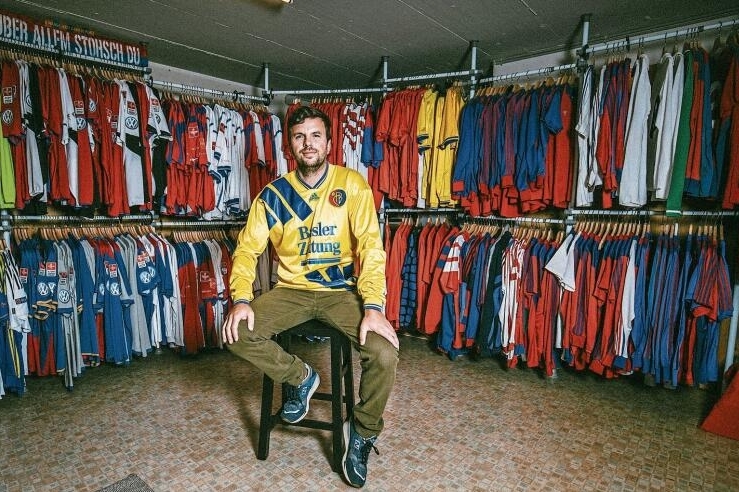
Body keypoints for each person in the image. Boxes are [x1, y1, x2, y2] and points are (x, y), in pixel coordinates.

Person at [222, 105, 399, 488]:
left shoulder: (352, 186)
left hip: (340, 293)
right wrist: (240, 299)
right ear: (290, 145)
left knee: (385, 353)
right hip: (291, 291)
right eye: (300, 137)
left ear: (329, 142)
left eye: (316, 135)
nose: (308, 144)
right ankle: (301, 377)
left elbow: (371, 247)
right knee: (235, 332)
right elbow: (246, 250)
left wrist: (372, 306)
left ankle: (364, 432)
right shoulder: (273, 196)